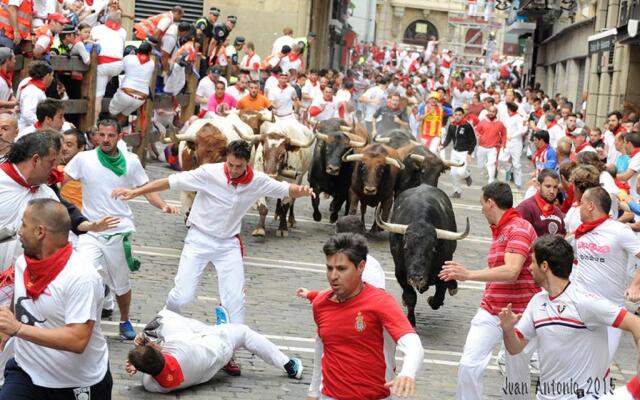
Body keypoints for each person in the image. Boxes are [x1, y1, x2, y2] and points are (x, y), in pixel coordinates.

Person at [111, 140, 315, 374]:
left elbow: (284, 188)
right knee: (182, 295)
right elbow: (170, 181)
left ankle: (228, 353)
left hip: (228, 244)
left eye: (239, 166)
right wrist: (135, 192)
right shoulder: (209, 173)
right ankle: (158, 327)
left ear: (247, 163)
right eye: (231, 164)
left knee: (235, 304)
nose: (234, 170)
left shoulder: (257, 180)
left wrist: (301, 191)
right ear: (226, 159)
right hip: (199, 239)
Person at [64, 119, 177, 340]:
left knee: (120, 283)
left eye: (110, 135)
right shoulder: (83, 159)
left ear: (119, 137)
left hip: (119, 230)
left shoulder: (132, 161)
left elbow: (145, 188)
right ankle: (89, 321)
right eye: (101, 135)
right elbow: (62, 180)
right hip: (91, 229)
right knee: (88, 274)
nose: (105, 139)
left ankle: (124, 319)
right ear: (96, 135)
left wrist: (163, 205)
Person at [500, 234, 640, 399]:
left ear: (544, 266)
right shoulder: (537, 302)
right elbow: (515, 348)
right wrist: (508, 330)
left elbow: (635, 324)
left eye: (532, 262)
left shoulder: (584, 301)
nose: (529, 267)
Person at [0, 199, 112, 399]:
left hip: (76, 384)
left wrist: (17, 329)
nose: (19, 231)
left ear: (40, 232)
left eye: (24, 224)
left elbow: (77, 340)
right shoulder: (23, 263)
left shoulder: (81, 276)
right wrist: (5, 329)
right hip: (26, 373)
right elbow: (18, 305)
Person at [439, 181, 539, 400]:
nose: (481, 208)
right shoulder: (501, 230)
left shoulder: (519, 228)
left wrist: (469, 275)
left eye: (482, 203)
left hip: (519, 314)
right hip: (491, 309)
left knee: (516, 376)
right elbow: (498, 269)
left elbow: (512, 270)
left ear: (491, 203)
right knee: (468, 365)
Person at [302, 233, 424, 399]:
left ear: (360, 267)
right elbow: (322, 348)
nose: (333, 276)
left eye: (341, 269)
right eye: (329, 268)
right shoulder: (320, 304)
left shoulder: (381, 302)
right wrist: (314, 391)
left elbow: (412, 342)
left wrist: (408, 372)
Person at [125, 307, 303, 393]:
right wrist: (143, 339)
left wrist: (138, 363)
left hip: (204, 360)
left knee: (191, 328)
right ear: (158, 350)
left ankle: (221, 327)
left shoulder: (152, 385)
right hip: (218, 345)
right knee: (244, 332)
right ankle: (288, 365)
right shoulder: (177, 347)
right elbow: (157, 336)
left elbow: (149, 368)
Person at [571, 186, 640, 361]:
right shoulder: (580, 232)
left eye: (582, 203)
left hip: (611, 311)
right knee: (575, 363)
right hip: (581, 308)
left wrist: (635, 285)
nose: (579, 206)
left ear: (591, 206)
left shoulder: (619, 231)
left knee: (601, 365)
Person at [0, 132, 60, 271]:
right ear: (36, 160)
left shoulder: (48, 195)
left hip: (27, 282)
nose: (54, 169)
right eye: (51, 162)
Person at [108, 41, 155, 126]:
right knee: (124, 115)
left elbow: (119, 69)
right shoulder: (152, 63)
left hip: (126, 93)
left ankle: (112, 130)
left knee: (112, 113)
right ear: (149, 53)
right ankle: (117, 132)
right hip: (141, 98)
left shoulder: (129, 58)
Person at [92, 12, 127, 119]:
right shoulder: (123, 32)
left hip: (103, 65)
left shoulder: (96, 29)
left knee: (98, 96)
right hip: (117, 66)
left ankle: (94, 122)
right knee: (103, 87)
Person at [516, 169, 566, 237]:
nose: (552, 191)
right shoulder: (525, 208)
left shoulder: (557, 211)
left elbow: (562, 236)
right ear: (538, 185)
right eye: (548, 186)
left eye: (555, 187)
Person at [440, 107, 475, 198]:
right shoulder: (452, 125)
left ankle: (467, 175)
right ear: (453, 115)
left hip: (464, 152)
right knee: (453, 173)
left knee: (461, 172)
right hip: (454, 152)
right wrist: (442, 146)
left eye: (460, 115)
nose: (458, 117)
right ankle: (457, 191)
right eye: (456, 115)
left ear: (463, 115)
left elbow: (473, 141)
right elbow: (448, 138)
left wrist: (469, 153)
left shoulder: (467, 126)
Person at [16, 61, 54, 131]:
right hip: (27, 130)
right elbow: (28, 113)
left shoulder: (28, 82)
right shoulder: (33, 91)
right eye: (52, 75)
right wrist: (42, 126)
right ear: (47, 76)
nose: (52, 78)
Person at [475, 105, 507, 184]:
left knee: (491, 164)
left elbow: (504, 134)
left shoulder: (500, 124)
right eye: (490, 111)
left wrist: (503, 144)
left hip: (493, 148)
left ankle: (491, 181)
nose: (491, 113)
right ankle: (488, 172)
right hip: (482, 147)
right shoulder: (483, 121)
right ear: (488, 111)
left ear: (496, 113)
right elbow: (476, 130)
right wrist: (477, 135)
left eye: (493, 112)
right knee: (480, 166)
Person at [58, 129, 87, 210]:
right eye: (62, 144)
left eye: (69, 144)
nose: (64, 148)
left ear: (81, 147)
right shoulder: (57, 169)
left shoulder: (89, 169)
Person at [0, 48, 17, 113]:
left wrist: (16, 102)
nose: (15, 61)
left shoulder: (6, 76)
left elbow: (9, 95)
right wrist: (12, 104)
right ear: (7, 61)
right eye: (14, 59)